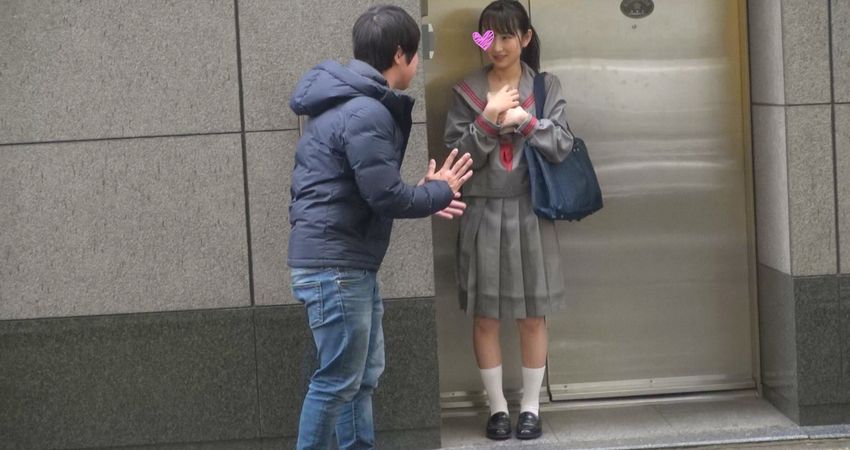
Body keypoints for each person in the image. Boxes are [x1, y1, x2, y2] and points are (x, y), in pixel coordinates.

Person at [287, 5, 473, 449]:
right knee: (337, 381)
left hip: (344, 263)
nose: (418, 63)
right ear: (399, 54)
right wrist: (439, 192)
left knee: (360, 377)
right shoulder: (365, 112)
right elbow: (385, 196)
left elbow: (371, 189)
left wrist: (426, 193)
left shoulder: (348, 105)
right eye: (416, 53)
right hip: (337, 268)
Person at [444, 0, 575, 441]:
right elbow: (456, 156)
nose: (496, 46)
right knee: (485, 316)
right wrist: (486, 118)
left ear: (525, 38)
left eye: (506, 36)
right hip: (481, 211)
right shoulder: (466, 90)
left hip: (532, 210)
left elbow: (562, 145)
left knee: (532, 315)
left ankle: (531, 408)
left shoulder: (546, 86)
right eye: (488, 36)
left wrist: (525, 121)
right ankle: (497, 408)